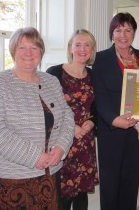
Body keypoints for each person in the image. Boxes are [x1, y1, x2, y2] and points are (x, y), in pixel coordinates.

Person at [0, 27, 75, 209]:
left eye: (34, 47)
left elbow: (67, 117)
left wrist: (61, 147)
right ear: (13, 50)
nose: (29, 53)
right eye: (22, 47)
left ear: (41, 51)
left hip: (49, 174)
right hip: (11, 179)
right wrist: (35, 156)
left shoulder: (50, 81)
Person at [91, 12, 139, 210]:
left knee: (130, 182)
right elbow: (99, 96)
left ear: (134, 33)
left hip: (137, 131)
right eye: (118, 30)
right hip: (112, 130)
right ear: (111, 33)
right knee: (110, 185)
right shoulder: (100, 58)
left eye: (128, 30)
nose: (123, 35)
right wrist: (114, 120)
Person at [46, 29, 98, 210]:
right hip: (62, 142)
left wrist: (92, 122)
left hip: (85, 142)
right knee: (63, 196)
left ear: (92, 50)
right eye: (78, 44)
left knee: (81, 195)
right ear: (70, 48)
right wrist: (71, 127)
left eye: (87, 45)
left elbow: (97, 108)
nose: (82, 49)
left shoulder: (94, 76)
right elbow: (46, 107)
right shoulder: (54, 73)